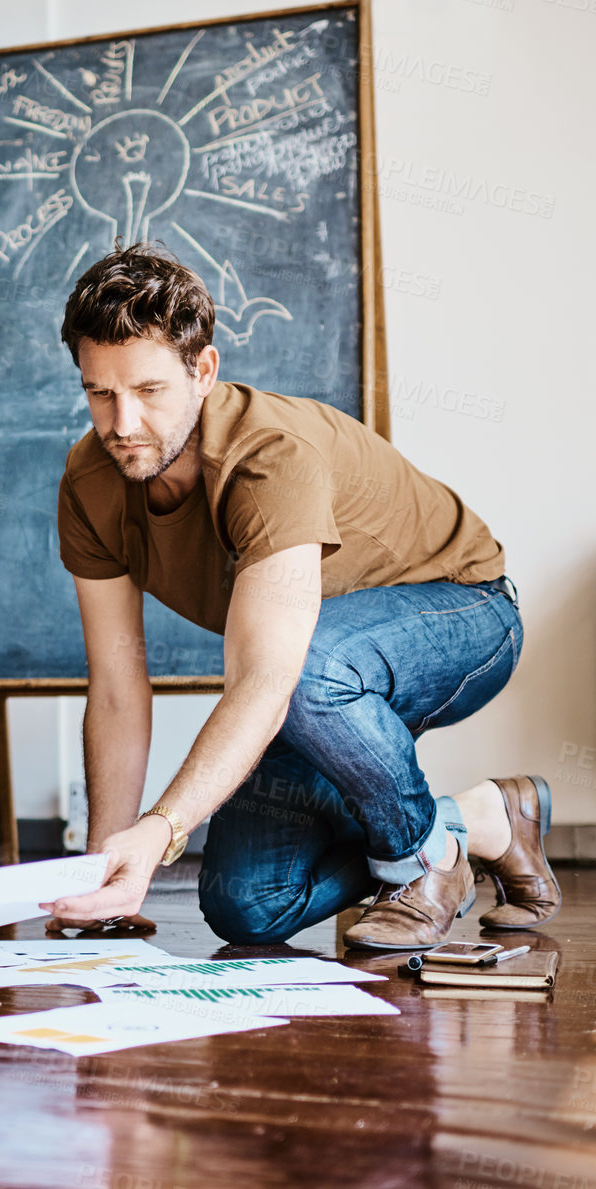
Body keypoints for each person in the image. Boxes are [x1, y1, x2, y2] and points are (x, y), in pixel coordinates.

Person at [42, 244, 557, 950]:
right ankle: (483, 818)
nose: (122, 422)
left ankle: (427, 862)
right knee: (249, 904)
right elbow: (117, 686)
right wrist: (107, 870)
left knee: (310, 667)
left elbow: (267, 681)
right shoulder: (90, 482)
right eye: (100, 392)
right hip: (320, 670)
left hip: (465, 612)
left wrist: (161, 828)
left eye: (149, 390)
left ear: (203, 371)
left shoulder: (269, 459)